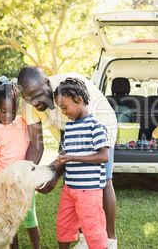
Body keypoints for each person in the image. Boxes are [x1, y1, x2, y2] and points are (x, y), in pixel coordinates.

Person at [18, 66, 118, 249]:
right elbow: (36, 143)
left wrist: (59, 168)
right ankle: (83, 239)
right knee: (73, 184)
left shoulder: (73, 89)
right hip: (70, 132)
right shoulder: (30, 101)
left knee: (104, 181)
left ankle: (110, 240)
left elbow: (87, 143)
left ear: (47, 83)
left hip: (99, 125)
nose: (33, 102)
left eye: (37, 95)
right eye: (28, 99)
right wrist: (32, 173)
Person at [0, 76, 40, 249]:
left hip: (24, 182)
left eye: (13, 111)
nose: (9, 115)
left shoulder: (23, 123)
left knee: (29, 215)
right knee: (9, 220)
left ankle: (37, 247)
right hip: (5, 184)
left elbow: (35, 146)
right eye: (4, 111)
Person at [53, 78, 109, 249]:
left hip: (89, 191)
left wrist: (73, 158)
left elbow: (104, 156)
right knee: (64, 225)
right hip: (69, 189)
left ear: (79, 99)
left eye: (64, 107)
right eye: (60, 108)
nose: (63, 112)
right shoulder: (69, 127)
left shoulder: (96, 125)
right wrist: (49, 169)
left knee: (93, 230)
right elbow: (64, 154)